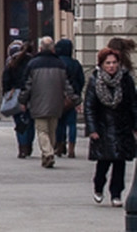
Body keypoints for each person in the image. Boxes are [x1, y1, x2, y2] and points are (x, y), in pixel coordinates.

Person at [84, 47, 137, 207]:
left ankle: (116, 193)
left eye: (114, 63)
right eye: (108, 63)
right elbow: (89, 107)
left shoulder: (126, 80)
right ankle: (98, 187)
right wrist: (92, 129)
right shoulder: (95, 81)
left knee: (120, 163)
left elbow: (133, 104)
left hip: (122, 127)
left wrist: (135, 125)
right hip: (103, 128)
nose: (112, 66)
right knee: (103, 162)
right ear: (102, 64)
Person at [18, 36, 79, 168]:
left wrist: (22, 100)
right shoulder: (60, 65)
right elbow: (68, 85)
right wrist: (75, 100)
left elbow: (26, 85)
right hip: (56, 103)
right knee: (51, 130)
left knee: (42, 130)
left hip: (38, 102)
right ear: (52, 49)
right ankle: (47, 154)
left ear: (40, 48)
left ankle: (48, 152)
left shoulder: (33, 64)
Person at [2, 40, 35, 158]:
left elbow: (5, 81)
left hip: (15, 94)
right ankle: (28, 145)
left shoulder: (11, 63)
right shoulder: (31, 62)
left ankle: (22, 147)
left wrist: (6, 92)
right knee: (30, 122)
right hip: (30, 94)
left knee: (19, 122)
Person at [54, 37, 85, 158]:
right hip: (72, 99)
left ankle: (60, 145)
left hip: (58, 97)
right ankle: (72, 148)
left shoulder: (57, 63)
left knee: (59, 123)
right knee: (72, 124)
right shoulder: (75, 64)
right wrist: (77, 94)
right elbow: (81, 80)